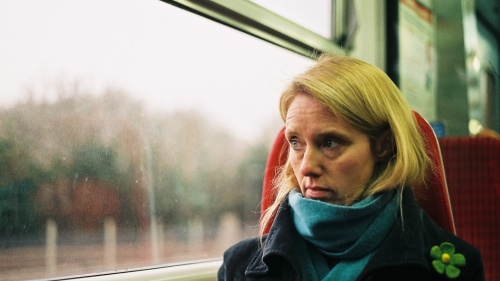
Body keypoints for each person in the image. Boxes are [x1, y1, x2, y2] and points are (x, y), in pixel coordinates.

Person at [218, 54, 485, 280]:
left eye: (330, 143)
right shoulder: (237, 266)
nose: (307, 167)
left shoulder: (460, 268)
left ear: (383, 146)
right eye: (296, 143)